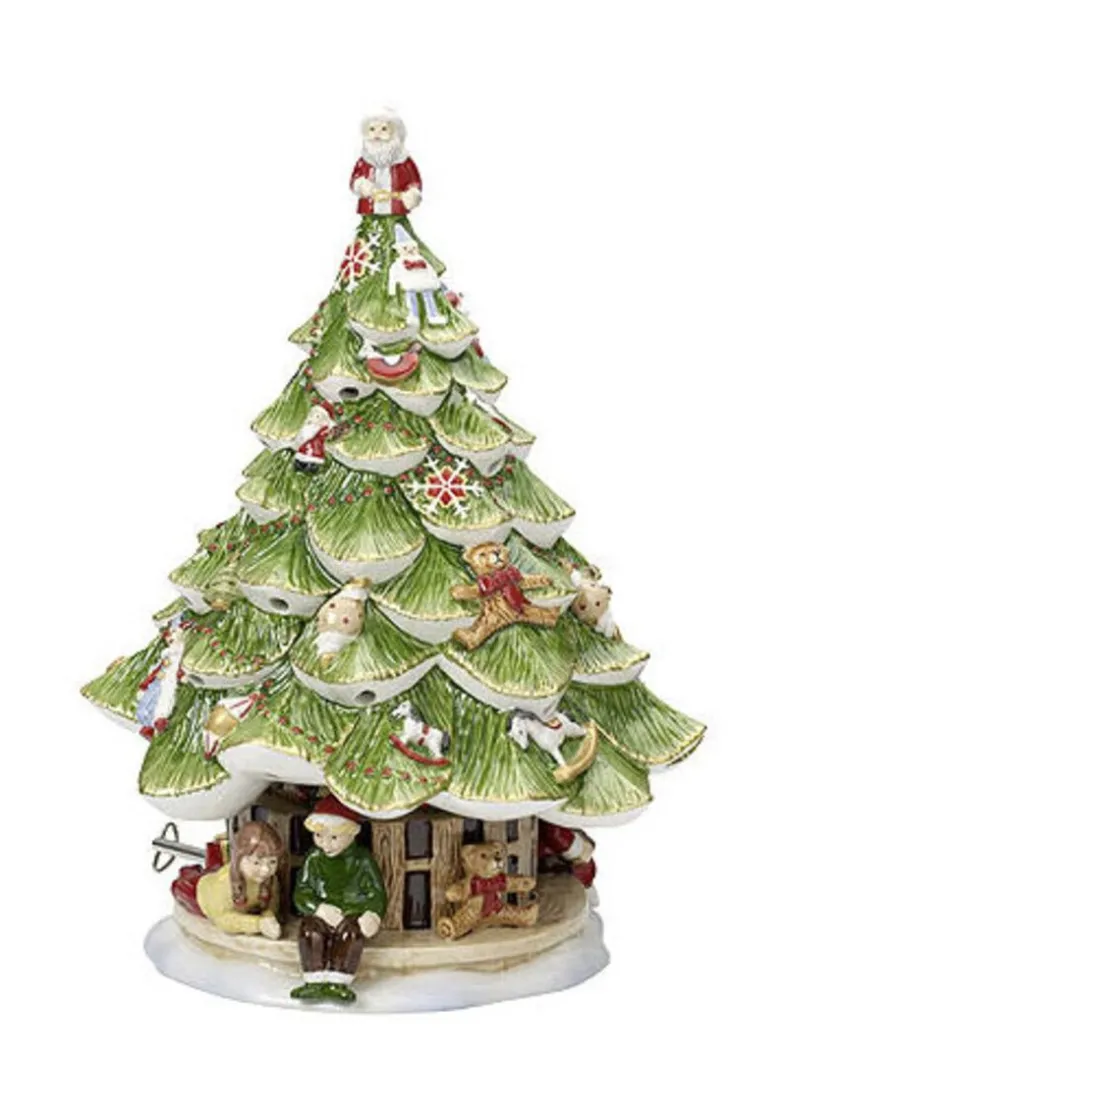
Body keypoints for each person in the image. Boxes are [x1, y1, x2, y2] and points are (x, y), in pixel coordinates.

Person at [289, 795, 386, 1004]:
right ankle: (314, 981)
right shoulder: (314, 859)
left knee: (350, 935)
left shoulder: (362, 860)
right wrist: (318, 908)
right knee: (309, 932)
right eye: (319, 836)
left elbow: (376, 893)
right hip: (322, 914)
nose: (325, 844)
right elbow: (301, 892)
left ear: (352, 833)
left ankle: (338, 982)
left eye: (333, 838)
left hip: (351, 914)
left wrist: (372, 914)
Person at [196, 821, 284, 938]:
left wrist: (269, 917)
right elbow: (222, 919)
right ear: (239, 858)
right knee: (186, 881)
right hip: (202, 895)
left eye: (272, 862)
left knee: (214, 865)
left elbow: (271, 905)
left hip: (219, 876)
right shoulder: (225, 885)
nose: (266, 869)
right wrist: (258, 924)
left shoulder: (270, 881)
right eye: (256, 862)